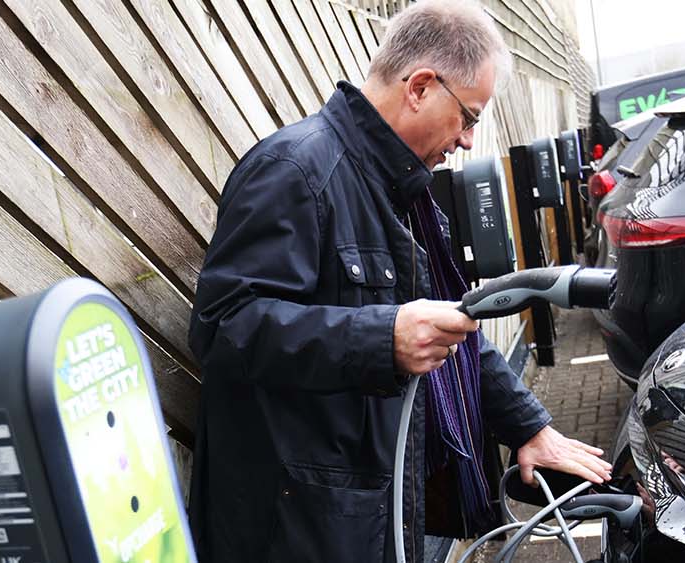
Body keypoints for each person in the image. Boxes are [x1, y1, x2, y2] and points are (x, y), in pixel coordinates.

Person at [186, 2, 611, 561]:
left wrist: (529, 426)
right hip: (301, 530)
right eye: (469, 117)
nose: (466, 141)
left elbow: (454, 329)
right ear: (420, 87)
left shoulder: (405, 193)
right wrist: (380, 338)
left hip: (372, 510)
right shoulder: (295, 171)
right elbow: (221, 328)